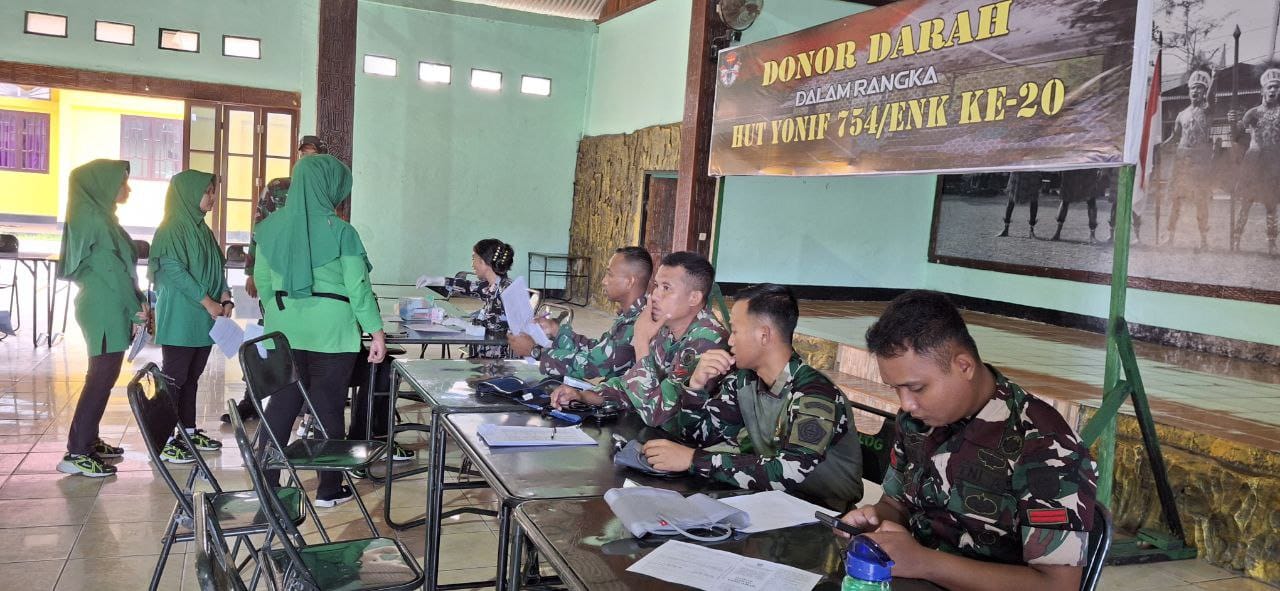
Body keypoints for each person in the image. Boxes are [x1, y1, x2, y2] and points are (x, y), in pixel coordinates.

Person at [835, 291, 1097, 590]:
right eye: (895, 388)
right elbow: (896, 504)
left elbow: (1058, 586)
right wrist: (875, 518)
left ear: (964, 366)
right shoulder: (917, 422)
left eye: (917, 388)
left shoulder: (1044, 446)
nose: (906, 403)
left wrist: (925, 562)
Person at [642, 283, 863, 511]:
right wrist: (695, 386)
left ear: (764, 335)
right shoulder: (746, 380)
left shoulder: (815, 395)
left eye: (735, 331)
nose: (730, 341)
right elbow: (699, 438)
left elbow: (788, 472)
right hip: (774, 501)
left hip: (824, 513)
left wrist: (693, 460)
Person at [253, 154, 386, 508]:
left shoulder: (269, 228)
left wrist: (281, 310)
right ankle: (328, 489)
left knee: (280, 407)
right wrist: (375, 331)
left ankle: (266, 485)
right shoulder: (341, 232)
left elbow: (262, 280)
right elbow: (357, 287)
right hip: (332, 333)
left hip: (283, 331)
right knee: (328, 407)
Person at [550, 251, 728, 427]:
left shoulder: (706, 340)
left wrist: (641, 340)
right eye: (656, 286)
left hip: (686, 439)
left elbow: (658, 415)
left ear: (694, 298)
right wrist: (583, 396)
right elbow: (632, 386)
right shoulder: (666, 328)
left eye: (666, 288)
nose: (654, 296)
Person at [223, 135, 328, 423]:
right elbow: (259, 228)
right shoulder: (279, 187)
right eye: (303, 155)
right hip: (276, 278)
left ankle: (303, 404)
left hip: (312, 283)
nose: (306, 161)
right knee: (268, 341)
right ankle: (252, 399)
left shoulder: (326, 191)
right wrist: (252, 271)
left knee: (306, 345)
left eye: (313, 155)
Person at [55, 160, 147, 477]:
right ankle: (77, 452)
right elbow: (114, 273)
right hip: (104, 307)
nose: (127, 189)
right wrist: (136, 309)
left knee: (102, 377)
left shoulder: (102, 218)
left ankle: (88, 440)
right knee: (101, 377)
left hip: (107, 305)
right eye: (122, 182)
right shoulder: (96, 221)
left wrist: (137, 302)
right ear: (103, 185)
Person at [148, 170, 230, 463]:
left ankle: (187, 431)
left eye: (212, 191)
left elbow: (217, 268)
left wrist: (225, 297)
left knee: (192, 377)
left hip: (204, 317)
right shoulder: (171, 227)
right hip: (182, 316)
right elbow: (174, 271)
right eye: (207, 191)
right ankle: (163, 440)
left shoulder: (202, 229)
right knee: (174, 379)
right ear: (188, 193)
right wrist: (208, 301)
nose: (212, 197)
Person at [507, 246, 652, 379]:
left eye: (610, 275)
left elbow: (594, 364)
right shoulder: (628, 316)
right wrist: (557, 331)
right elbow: (598, 349)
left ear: (630, 282)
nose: (604, 281)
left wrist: (535, 351)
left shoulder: (638, 323)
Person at [1159, 66, 1214, 250]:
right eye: (1193, 88)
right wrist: (1160, 146)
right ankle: (1170, 237)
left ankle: (1204, 240)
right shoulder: (1181, 114)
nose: (1195, 91)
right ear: (1189, 90)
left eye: (1200, 88)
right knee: (1176, 199)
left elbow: (1211, 97)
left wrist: (1214, 78)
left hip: (1199, 161)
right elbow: (1174, 137)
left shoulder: (1207, 110)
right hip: (1181, 160)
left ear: (1205, 91)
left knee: (1200, 201)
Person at [1230, 64, 1280, 255]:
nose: (1273, 90)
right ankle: (1236, 239)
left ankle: (1272, 243)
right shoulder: (1252, 113)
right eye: (1270, 87)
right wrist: (1232, 122)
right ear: (1262, 90)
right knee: (1246, 202)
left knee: (1271, 204)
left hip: (1274, 162)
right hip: (1254, 161)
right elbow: (1236, 135)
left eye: (1277, 87)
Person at [464, 238, 515, 358]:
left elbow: (504, 331)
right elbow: (467, 286)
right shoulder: (492, 285)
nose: (472, 264)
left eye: (474, 259)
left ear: (483, 262)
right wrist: (438, 281)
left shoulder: (506, 289)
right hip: (484, 357)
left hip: (496, 362)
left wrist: (462, 324)